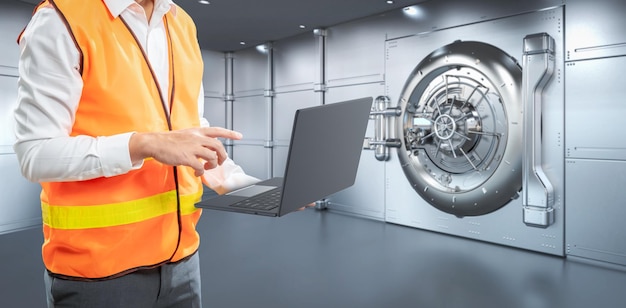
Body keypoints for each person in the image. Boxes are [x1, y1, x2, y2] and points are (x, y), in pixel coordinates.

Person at [14, 0, 257, 307]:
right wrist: (142, 145)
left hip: (183, 262)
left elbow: (189, 133)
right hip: (98, 275)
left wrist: (246, 186)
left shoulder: (182, 22)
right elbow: (35, 154)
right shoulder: (61, 18)